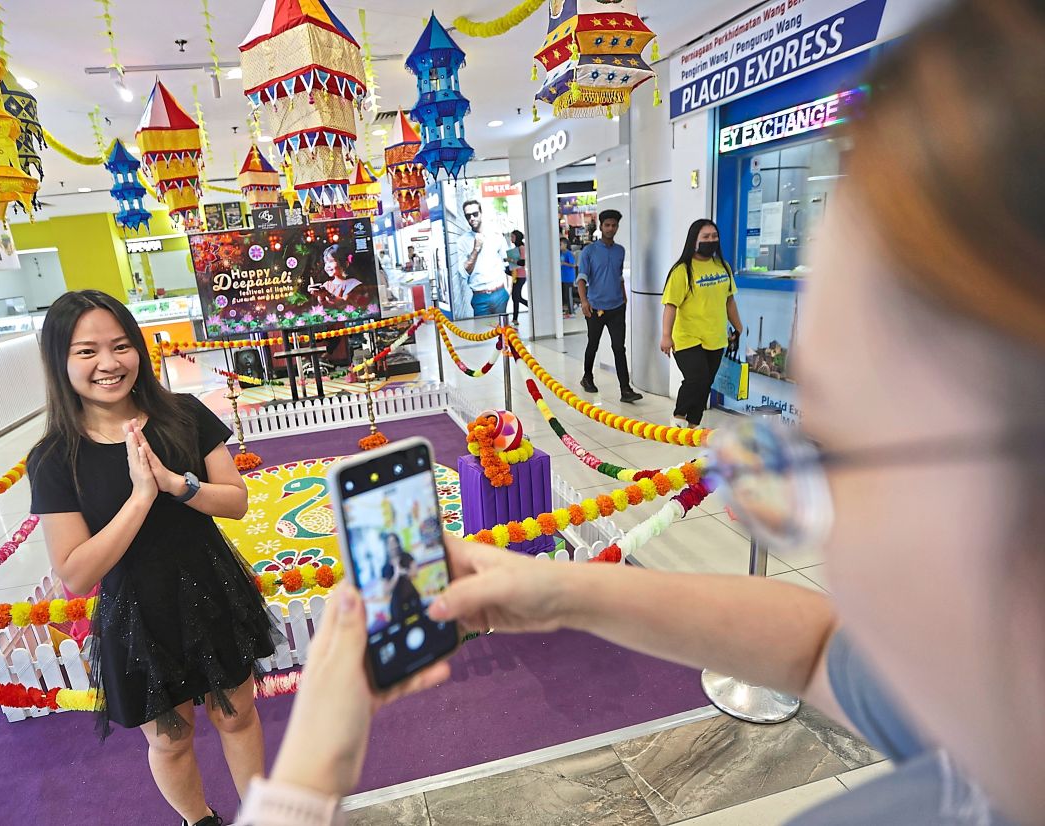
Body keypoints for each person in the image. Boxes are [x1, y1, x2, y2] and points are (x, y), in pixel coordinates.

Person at [231, 2, 1045, 823]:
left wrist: (302, 787)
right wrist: (560, 591)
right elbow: (821, 647)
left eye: (834, 443)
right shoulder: (988, 702)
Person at [27, 290, 278, 826]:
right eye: (86, 351)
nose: (108, 363)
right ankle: (199, 820)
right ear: (59, 360)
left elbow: (236, 501)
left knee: (237, 717)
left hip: (211, 590)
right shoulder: (54, 458)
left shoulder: (183, 415)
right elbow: (76, 573)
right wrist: (140, 497)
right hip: (137, 614)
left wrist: (175, 485)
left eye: (120, 346)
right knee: (171, 741)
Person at [660, 219, 744, 429]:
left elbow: (729, 300)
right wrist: (665, 335)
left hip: (716, 336)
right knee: (696, 378)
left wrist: (739, 326)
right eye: (705, 237)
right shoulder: (682, 270)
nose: (711, 240)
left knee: (706, 382)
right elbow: (670, 305)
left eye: (714, 236)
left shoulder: (723, 267)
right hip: (687, 336)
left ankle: (693, 424)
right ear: (694, 240)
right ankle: (678, 417)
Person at [577, 209, 642, 403]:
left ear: (617, 227)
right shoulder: (589, 251)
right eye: (607, 225)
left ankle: (625, 389)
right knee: (593, 344)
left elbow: (619, 275)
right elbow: (581, 278)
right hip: (595, 307)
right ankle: (587, 377)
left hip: (616, 307)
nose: (610, 228)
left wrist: (623, 296)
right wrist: (584, 301)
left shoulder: (620, 251)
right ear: (601, 226)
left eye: (614, 225)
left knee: (618, 348)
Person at [455, 199, 509, 317]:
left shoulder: (496, 234)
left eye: (475, 214)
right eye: (468, 216)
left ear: (481, 213)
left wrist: (510, 290)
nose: (472, 218)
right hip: (480, 297)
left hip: (499, 293)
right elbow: (464, 272)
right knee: (483, 333)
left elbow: (509, 261)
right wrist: (476, 249)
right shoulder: (462, 242)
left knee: (503, 333)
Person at [506, 229, 528, 325]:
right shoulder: (517, 248)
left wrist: (510, 259)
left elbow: (523, 262)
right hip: (516, 275)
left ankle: (515, 318)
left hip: (520, 276)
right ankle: (516, 318)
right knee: (516, 297)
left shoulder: (521, 248)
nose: (511, 238)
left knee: (516, 297)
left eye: (513, 236)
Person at [559, 236, 577, 316]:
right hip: (562, 278)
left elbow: (573, 265)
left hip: (569, 278)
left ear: (565, 244)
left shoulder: (569, 254)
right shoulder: (560, 253)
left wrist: (564, 263)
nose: (559, 246)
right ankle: (566, 309)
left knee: (568, 295)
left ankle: (572, 311)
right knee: (564, 295)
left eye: (560, 244)